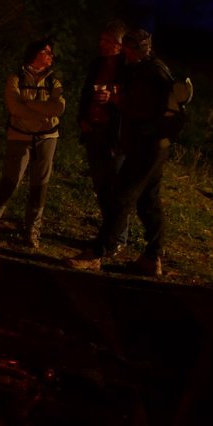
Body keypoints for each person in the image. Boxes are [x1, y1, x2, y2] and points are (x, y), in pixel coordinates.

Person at [66, 29, 174, 276]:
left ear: (137, 49)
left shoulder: (152, 72)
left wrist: (118, 101)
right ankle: (152, 257)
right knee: (148, 201)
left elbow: (145, 108)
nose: (124, 53)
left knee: (121, 197)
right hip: (154, 146)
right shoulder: (148, 68)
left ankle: (97, 253)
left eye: (127, 49)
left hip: (146, 146)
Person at [0, 38, 65, 248]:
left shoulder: (55, 82)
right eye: (46, 51)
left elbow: (58, 109)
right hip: (20, 136)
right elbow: (14, 108)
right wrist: (40, 110)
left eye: (51, 53)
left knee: (40, 185)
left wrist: (29, 104)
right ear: (35, 53)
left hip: (47, 137)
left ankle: (32, 232)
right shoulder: (15, 78)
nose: (51, 56)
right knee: (10, 181)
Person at [77, 20, 129, 254]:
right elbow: (86, 92)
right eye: (101, 39)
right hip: (93, 131)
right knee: (100, 186)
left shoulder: (126, 68)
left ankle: (117, 237)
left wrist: (112, 99)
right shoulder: (97, 64)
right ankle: (108, 232)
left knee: (116, 188)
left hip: (113, 136)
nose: (102, 44)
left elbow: (129, 102)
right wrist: (83, 120)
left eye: (107, 41)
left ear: (119, 45)